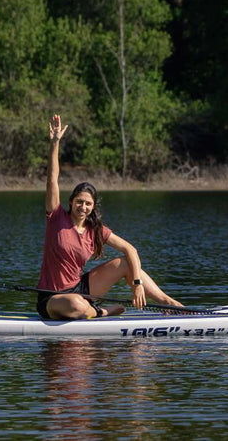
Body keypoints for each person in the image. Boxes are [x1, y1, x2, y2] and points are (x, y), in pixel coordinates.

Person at [36, 114, 183, 320]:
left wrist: (137, 284)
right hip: (53, 299)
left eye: (88, 203)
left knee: (125, 263)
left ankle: (170, 304)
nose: (83, 207)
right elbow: (52, 178)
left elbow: (130, 250)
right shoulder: (56, 217)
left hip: (81, 288)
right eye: (79, 201)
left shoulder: (94, 229)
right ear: (71, 202)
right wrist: (55, 143)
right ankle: (103, 311)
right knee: (76, 304)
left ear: (93, 206)